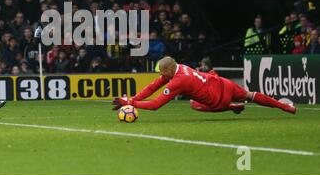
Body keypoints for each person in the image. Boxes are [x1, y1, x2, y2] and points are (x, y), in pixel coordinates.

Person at [112, 56, 296, 114]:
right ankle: (286, 107)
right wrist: (133, 98)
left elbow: (155, 104)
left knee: (193, 104)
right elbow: (153, 86)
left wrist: (130, 103)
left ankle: (230, 107)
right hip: (224, 83)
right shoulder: (179, 68)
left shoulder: (178, 81)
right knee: (250, 95)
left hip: (218, 100)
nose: (160, 75)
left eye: (162, 72)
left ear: (168, 70)